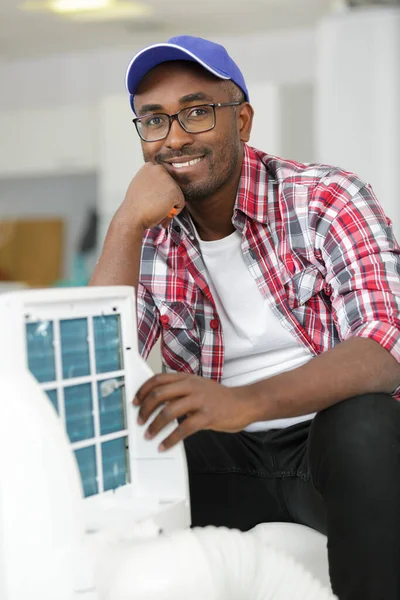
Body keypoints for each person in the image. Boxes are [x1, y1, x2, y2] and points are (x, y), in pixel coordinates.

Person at [91, 35, 400, 599]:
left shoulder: (326, 197)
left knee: (367, 420)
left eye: (197, 111)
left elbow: (383, 347)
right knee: (123, 446)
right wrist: (126, 224)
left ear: (244, 120)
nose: (175, 137)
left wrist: (244, 402)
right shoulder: (150, 233)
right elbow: (93, 369)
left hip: (327, 454)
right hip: (224, 460)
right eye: (154, 120)